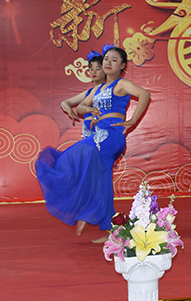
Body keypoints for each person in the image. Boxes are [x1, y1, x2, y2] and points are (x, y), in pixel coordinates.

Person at [35, 45, 151, 241]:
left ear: (123, 66)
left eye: (114, 60)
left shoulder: (121, 84)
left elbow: (145, 95)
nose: (108, 62)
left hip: (110, 136)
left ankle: (88, 211)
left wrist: (132, 121)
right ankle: (111, 228)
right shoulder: (98, 89)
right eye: (106, 59)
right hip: (101, 134)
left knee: (73, 155)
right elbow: (80, 107)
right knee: (101, 180)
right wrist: (88, 109)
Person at [60, 50, 106, 139]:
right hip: (88, 132)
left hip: (103, 129)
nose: (94, 72)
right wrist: (70, 110)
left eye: (98, 69)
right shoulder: (88, 93)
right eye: (91, 69)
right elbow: (64, 103)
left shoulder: (109, 90)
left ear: (105, 70)